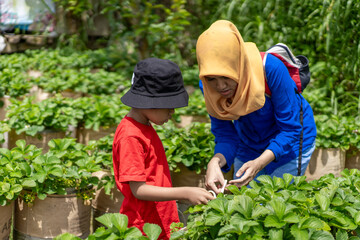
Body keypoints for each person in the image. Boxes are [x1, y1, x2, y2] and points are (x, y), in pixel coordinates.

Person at [196, 20, 317, 194]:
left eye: (226, 76)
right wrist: (214, 162)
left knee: (277, 200)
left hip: (291, 142)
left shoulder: (270, 69)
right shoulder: (207, 86)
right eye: (211, 79)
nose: (221, 86)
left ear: (238, 64)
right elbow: (225, 134)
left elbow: (290, 130)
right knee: (245, 201)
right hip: (249, 143)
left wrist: (259, 163)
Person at [112, 58, 215, 240]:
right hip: (143, 227)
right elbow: (139, 190)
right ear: (148, 101)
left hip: (159, 219)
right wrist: (185, 192)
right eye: (169, 106)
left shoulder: (144, 126)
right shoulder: (131, 136)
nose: (172, 112)